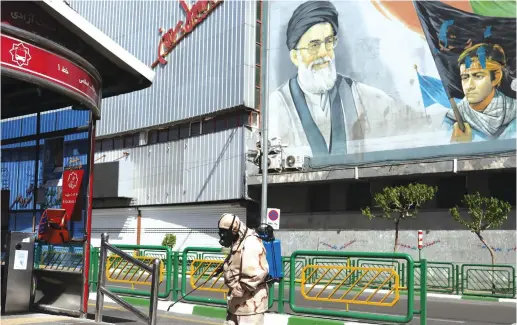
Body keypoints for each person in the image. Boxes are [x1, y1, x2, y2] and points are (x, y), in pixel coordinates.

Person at [268, 1, 416, 157]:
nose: (324, 53)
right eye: (314, 45)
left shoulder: (362, 96)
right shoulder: (277, 105)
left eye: (329, 42)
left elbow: (408, 120)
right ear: (295, 56)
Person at [442, 43, 516, 142]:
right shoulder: (451, 119)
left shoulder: (514, 112)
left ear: (496, 77)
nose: (469, 86)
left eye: (478, 76)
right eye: (465, 77)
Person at [217, 213, 269, 325]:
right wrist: (225, 267)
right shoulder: (238, 241)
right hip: (236, 306)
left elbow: (255, 274)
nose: (222, 235)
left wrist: (237, 290)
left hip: (250, 307)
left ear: (234, 229)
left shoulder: (250, 242)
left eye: (224, 232)